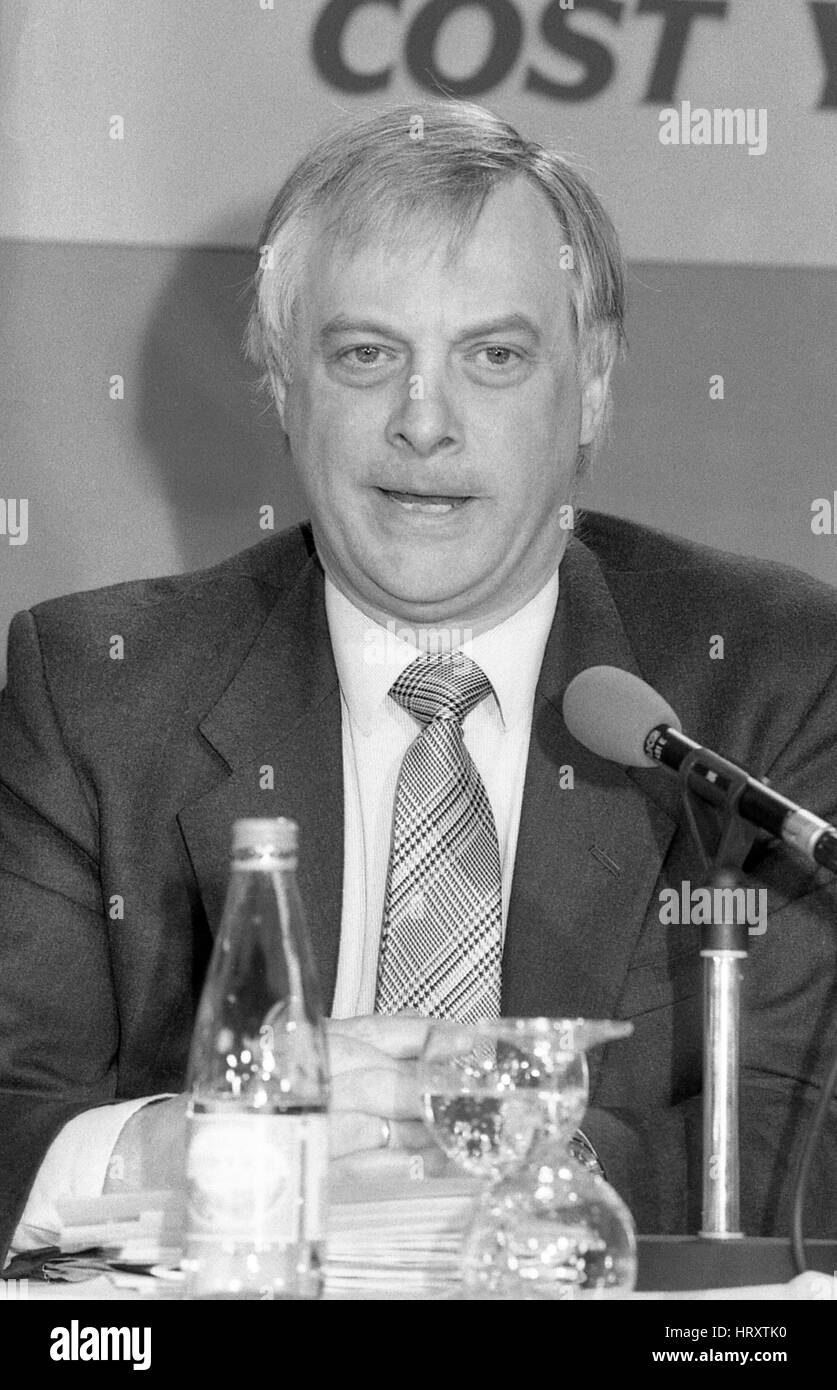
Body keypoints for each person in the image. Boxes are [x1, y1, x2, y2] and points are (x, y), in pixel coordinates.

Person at [1, 100, 836, 1269]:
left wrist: (477, 1149)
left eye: (494, 356)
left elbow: (800, 1135)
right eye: (365, 355)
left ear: (592, 387)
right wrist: (222, 1147)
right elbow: (14, 1106)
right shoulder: (92, 690)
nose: (424, 423)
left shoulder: (764, 674)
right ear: (282, 385)